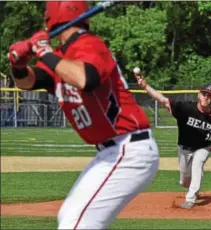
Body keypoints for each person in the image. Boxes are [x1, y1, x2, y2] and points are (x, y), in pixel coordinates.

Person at [8, 1, 159, 229]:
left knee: (75, 224)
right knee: (69, 215)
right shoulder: (60, 56)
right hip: (110, 152)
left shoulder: (89, 44)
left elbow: (85, 79)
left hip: (129, 149)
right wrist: (18, 64)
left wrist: (42, 50)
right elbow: (28, 82)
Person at [134, 72, 211, 209]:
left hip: (203, 147)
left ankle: (190, 199)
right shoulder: (186, 108)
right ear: (198, 94)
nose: (206, 97)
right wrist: (146, 87)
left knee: (198, 164)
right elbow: (163, 100)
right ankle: (191, 188)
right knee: (184, 181)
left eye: (210, 95)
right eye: (204, 94)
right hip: (184, 148)